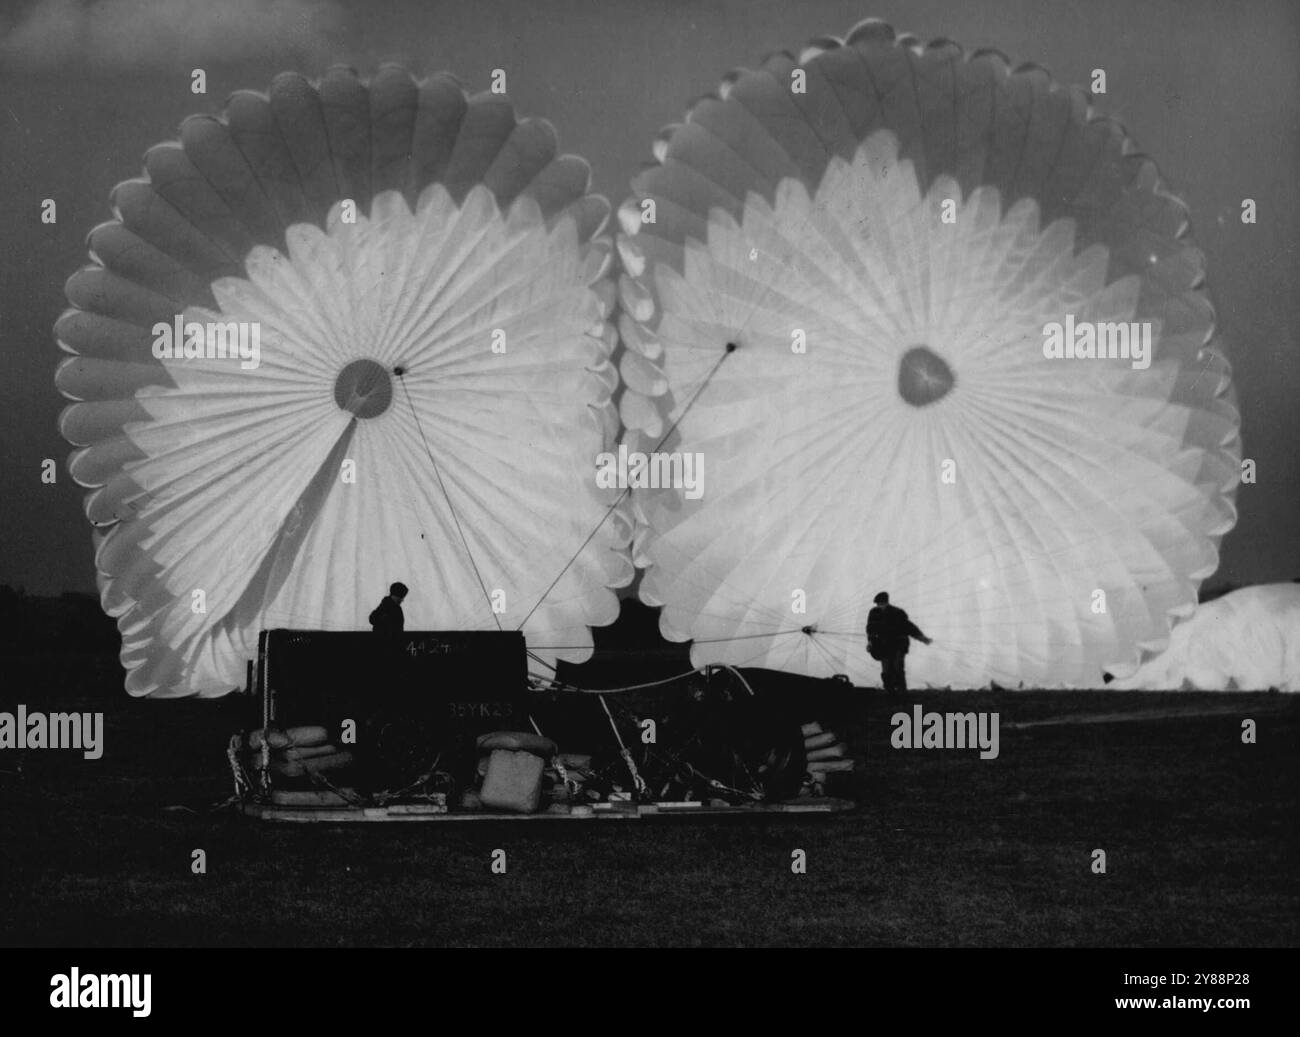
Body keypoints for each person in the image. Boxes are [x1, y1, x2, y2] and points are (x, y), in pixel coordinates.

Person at [866, 591, 932, 696]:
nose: (879, 606)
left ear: (886, 602)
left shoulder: (898, 612)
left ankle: (902, 693)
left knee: (897, 668)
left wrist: (922, 638)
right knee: (886, 670)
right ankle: (890, 692)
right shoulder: (874, 613)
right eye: (878, 604)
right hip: (883, 646)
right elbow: (870, 629)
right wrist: (870, 643)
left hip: (898, 645)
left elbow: (909, 627)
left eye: (881, 603)